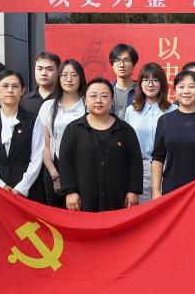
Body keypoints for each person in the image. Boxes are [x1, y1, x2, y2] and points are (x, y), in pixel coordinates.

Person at [59, 78, 143, 212]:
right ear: (85, 100)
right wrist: (70, 191)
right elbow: (65, 162)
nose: (98, 100)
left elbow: (135, 162)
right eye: (93, 96)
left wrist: (134, 191)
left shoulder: (125, 130)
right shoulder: (73, 129)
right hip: (83, 199)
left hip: (118, 199)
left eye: (104, 96)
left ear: (112, 100)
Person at [0, 69, 47, 204]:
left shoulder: (33, 120)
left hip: (28, 192)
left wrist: (21, 188)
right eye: (5, 86)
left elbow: (37, 157)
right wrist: (0, 185)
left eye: (15, 86)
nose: (10, 90)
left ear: (22, 90)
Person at [151, 70, 195, 203]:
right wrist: (156, 190)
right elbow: (157, 157)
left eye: (191, 87)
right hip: (171, 189)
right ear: (175, 90)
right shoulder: (165, 121)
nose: (186, 91)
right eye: (181, 86)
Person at [124, 63, 176, 202]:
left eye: (155, 80)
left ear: (162, 83)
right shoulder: (131, 111)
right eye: (146, 80)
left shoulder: (174, 110)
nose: (150, 84)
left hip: (167, 168)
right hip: (140, 168)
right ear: (140, 83)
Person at [39, 59, 86, 206]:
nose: (69, 79)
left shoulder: (88, 105)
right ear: (58, 78)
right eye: (64, 75)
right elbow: (44, 145)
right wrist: (55, 176)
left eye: (74, 75)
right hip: (54, 168)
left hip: (83, 169)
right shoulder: (48, 106)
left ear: (81, 78)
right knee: (54, 215)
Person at [109, 43, 139, 119]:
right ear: (112, 65)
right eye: (117, 60)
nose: (122, 65)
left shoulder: (141, 91)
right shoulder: (106, 90)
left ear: (133, 65)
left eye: (126, 60)